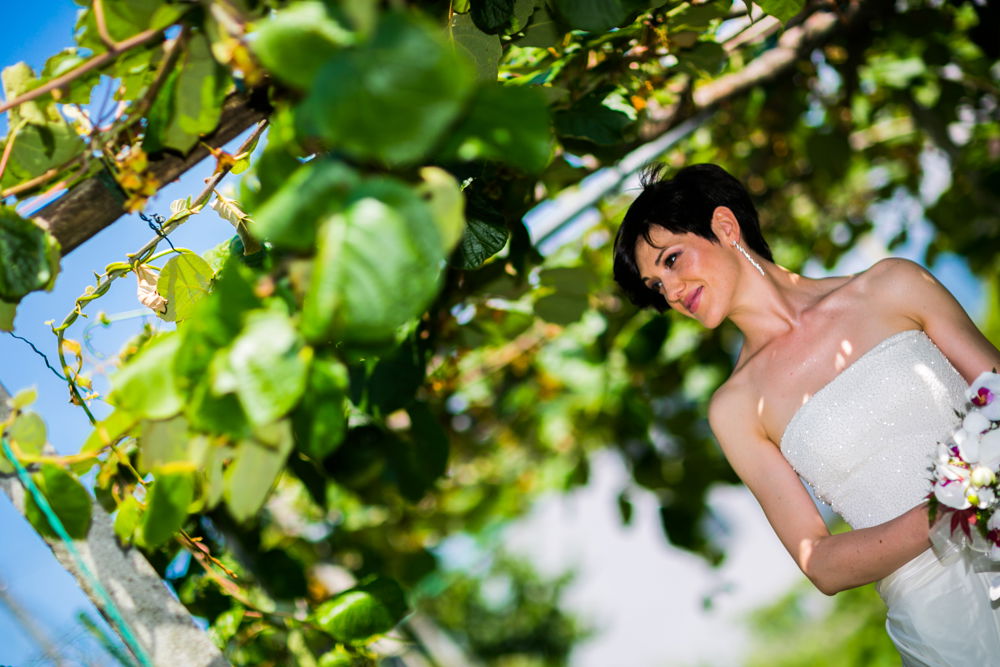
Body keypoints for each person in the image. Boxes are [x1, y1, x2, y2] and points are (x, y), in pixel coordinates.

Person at [612, 163, 1000, 665]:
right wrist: (949, 511)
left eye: (671, 260)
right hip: (944, 622)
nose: (670, 290)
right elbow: (822, 564)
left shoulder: (892, 285)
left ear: (725, 228)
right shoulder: (734, 408)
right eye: (655, 285)